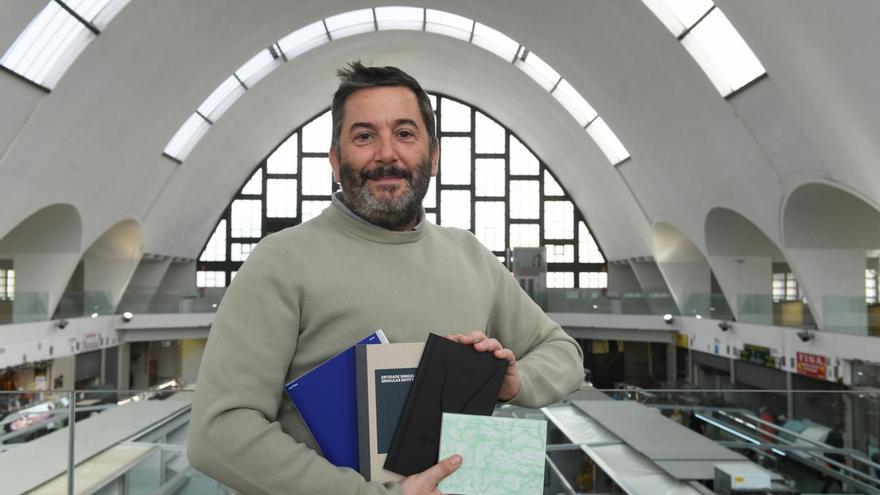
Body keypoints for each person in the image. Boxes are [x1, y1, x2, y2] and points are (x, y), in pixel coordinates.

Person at [187, 62, 584, 495]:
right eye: (364, 136)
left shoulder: (470, 256)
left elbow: (563, 353)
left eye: (405, 133)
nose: (386, 154)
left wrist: (515, 381)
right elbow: (220, 435)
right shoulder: (280, 262)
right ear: (336, 161)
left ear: (433, 156)